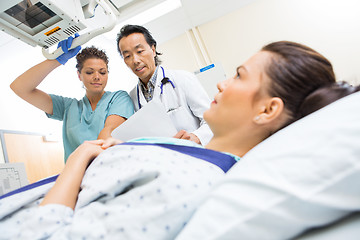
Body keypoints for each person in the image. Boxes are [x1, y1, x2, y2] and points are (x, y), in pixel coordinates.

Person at [1, 41, 356, 239]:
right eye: (125, 54)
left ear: (268, 110)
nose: (221, 83)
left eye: (238, 76)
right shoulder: (185, 155)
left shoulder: (187, 182)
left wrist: (80, 158)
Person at [10, 36, 134, 161]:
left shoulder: (118, 98)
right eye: (90, 72)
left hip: (104, 166)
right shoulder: (67, 107)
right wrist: (56, 59)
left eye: (102, 72)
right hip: (76, 175)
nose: (97, 77)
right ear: (79, 75)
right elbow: (20, 88)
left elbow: (107, 135)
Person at [116, 24, 213, 146]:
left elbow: (213, 120)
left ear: (153, 49)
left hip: (195, 153)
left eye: (140, 51)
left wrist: (196, 137)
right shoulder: (131, 98)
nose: (135, 60)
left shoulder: (182, 79)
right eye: (128, 56)